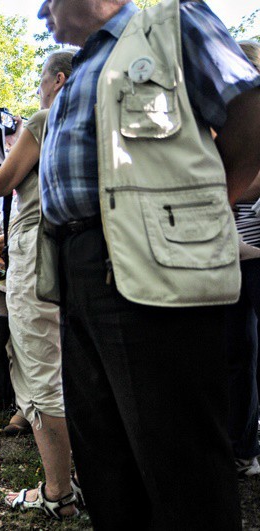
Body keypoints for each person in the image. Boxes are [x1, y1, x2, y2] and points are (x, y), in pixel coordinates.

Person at [35, 1, 260, 527]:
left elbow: (249, 112)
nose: (43, 10)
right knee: (106, 458)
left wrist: (208, 205)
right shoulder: (81, 68)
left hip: (155, 262)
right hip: (78, 267)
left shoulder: (173, 23)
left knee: (179, 456)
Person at [0, 49, 78, 519]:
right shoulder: (101, 122)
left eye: (41, 83)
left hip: (38, 259)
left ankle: (58, 491)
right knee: (75, 369)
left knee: (40, 367)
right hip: (77, 258)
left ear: (58, 80)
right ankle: (82, 473)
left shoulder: (47, 120)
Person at [226, 40, 260, 477]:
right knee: (236, 353)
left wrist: (218, 193)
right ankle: (242, 447)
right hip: (231, 257)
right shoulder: (228, 118)